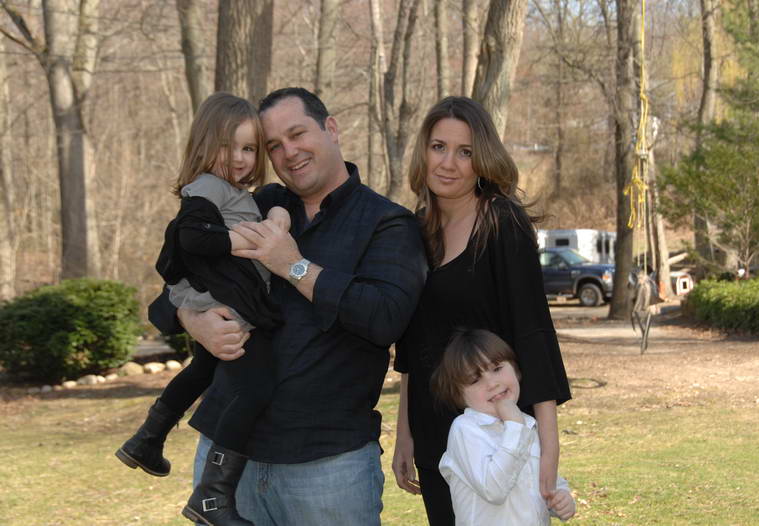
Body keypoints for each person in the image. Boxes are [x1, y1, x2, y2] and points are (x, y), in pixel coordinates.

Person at [148, 87, 426, 526]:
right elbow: (168, 294)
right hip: (226, 469)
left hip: (327, 468)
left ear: (331, 128)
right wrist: (192, 319)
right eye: (274, 145)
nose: (289, 152)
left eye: (297, 134)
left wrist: (293, 266)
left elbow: (385, 318)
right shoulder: (249, 208)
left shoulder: (387, 223)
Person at [392, 96, 572, 526]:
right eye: (439, 147)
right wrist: (404, 433)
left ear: (483, 159)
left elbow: (533, 332)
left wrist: (548, 451)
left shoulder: (501, 221)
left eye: (465, 152)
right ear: (423, 151)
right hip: (434, 431)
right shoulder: (416, 230)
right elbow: (413, 347)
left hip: (497, 431)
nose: (448, 163)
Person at [116, 92, 293, 526]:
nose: (239, 158)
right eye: (227, 146)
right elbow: (190, 237)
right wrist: (238, 241)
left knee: (201, 371)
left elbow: (272, 202)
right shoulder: (208, 189)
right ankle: (212, 496)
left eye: (248, 148)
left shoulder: (232, 191)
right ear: (203, 144)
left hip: (222, 301)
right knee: (256, 388)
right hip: (223, 307)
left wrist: (277, 215)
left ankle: (147, 439)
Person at [432, 328, 576, 525]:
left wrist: (561, 497)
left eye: (497, 369)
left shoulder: (528, 425)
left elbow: (542, 481)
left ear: (516, 370)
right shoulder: (465, 430)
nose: (492, 383)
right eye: (475, 380)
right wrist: (514, 427)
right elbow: (494, 489)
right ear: (459, 395)